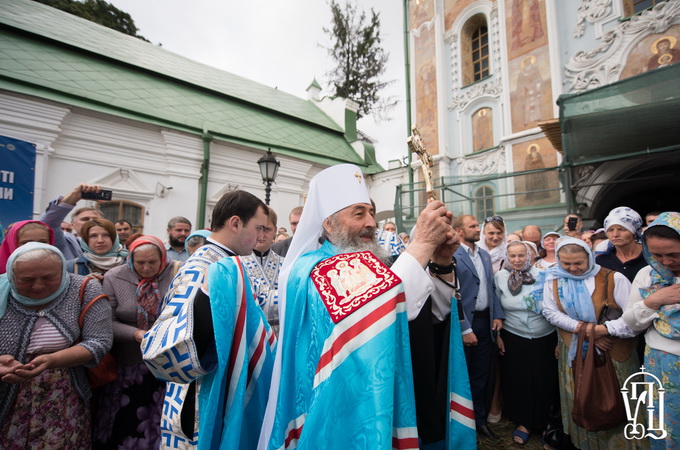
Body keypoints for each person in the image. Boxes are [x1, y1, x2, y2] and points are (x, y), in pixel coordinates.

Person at [260, 164, 458, 449]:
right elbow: (375, 310)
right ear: (329, 224)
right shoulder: (314, 268)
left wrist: (439, 261)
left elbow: (429, 314)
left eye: (372, 213)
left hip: (384, 393)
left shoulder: (379, 264)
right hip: (338, 409)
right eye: (359, 213)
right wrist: (423, 243)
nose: (371, 223)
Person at [143, 190, 273, 449]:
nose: (261, 236)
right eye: (258, 227)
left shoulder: (225, 261)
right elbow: (160, 350)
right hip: (200, 403)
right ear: (235, 223)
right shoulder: (204, 267)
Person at [0, 243, 112, 448]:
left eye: (49, 277)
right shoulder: (1, 291)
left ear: (63, 270)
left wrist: (52, 360)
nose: (38, 286)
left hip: (62, 395)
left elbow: (99, 341)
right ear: (10, 275)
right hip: (6, 391)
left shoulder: (84, 287)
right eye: (26, 280)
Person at [540, 237, 640, 449]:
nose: (573, 268)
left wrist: (602, 332)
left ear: (590, 257)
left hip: (613, 355)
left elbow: (634, 318)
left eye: (578, 263)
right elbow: (549, 311)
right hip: (575, 354)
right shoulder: (553, 279)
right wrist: (584, 330)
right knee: (581, 397)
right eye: (566, 263)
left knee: (615, 400)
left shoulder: (614, 278)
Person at [94, 236, 180, 449]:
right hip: (130, 363)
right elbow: (108, 320)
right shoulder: (115, 276)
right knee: (126, 418)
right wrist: (137, 334)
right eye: (140, 262)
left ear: (163, 258)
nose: (146, 267)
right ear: (131, 259)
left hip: (166, 362)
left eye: (153, 262)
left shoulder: (178, 273)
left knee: (159, 417)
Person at [623, 212, 680, 448]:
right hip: (660, 362)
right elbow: (631, 323)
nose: (666, 262)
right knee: (665, 424)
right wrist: (653, 301)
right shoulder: (647, 275)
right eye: (657, 254)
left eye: (674, 255)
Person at [495, 241, 558, 445]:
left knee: (545, 379)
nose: (517, 260)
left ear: (530, 255)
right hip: (514, 334)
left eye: (521, 255)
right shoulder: (500, 277)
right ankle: (524, 423)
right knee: (518, 379)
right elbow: (497, 308)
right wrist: (498, 335)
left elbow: (556, 306)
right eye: (512, 256)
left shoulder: (543, 275)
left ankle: (548, 423)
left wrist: (559, 339)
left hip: (544, 334)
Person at [453, 214, 504, 439]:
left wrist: (498, 315)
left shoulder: (483, 255)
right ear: (460, 231)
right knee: (461, 375)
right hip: (464, 325)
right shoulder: (451, 254)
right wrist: (464, 327)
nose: (478, 230)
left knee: (482, 375)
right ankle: (460, 423)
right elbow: (451, 295)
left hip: (486, 322)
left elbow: (491, 288)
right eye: (473, 226)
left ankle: (480, 420)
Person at [242, 206, 284, 335]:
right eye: (258, 229)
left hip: (279, 337)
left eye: (267, 229)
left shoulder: (286, 264)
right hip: (250, 335)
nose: (262, 235)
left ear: (275, 231)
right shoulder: (238, 263)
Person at [39, 183, 103, 260]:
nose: (91, 222)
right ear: (73, 225)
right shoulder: (66, 243)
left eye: (96, 219)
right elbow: (47, 226)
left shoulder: (116, 248)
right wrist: (73, 196)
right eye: (85, 219)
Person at [596, 207, 647, 282]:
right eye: (610, 230)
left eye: (621, 229)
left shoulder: (650, 257)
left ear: (634, 231)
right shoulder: (601, 261)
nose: (615, 234)